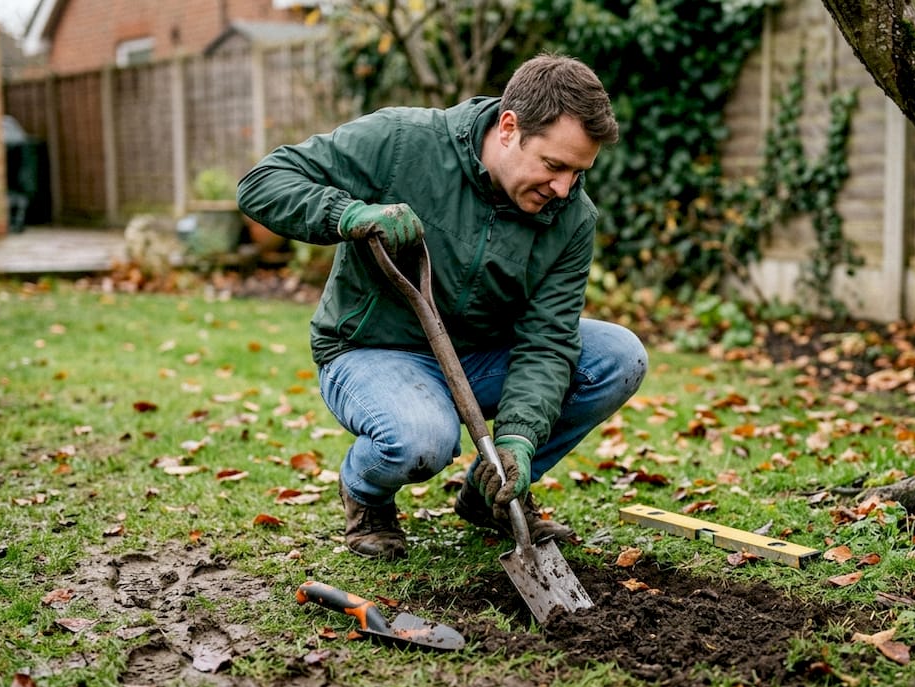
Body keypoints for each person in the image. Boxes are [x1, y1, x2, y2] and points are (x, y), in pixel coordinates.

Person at [237, 53, 647, 560]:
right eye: (554, 165)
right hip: (374, 351)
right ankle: (366, 495)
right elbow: (263, 182)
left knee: (618, 355)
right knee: (420, 441)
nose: (563, 187)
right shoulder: (401, 142)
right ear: (508, 127)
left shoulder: (572, 217)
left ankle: (491, 490)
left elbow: (548, 340)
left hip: (479, 358)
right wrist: (349, 214)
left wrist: (519, 437)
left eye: (577, 172)